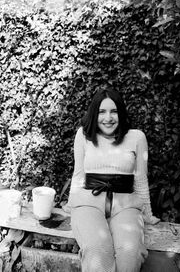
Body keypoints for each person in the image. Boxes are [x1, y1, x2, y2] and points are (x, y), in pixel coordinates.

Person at [68, 88, 160, 272]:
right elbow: (78, 174)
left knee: (130, 252)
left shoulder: (137, 137)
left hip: (126, 206)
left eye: (113, 111)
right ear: (94, 113)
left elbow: (141, 180)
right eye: (102, 111)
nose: (108, 118)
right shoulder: (83, 135)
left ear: (121, 113)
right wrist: (71, 204)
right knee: (97, 250)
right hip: (88, 204)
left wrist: (148, 214)